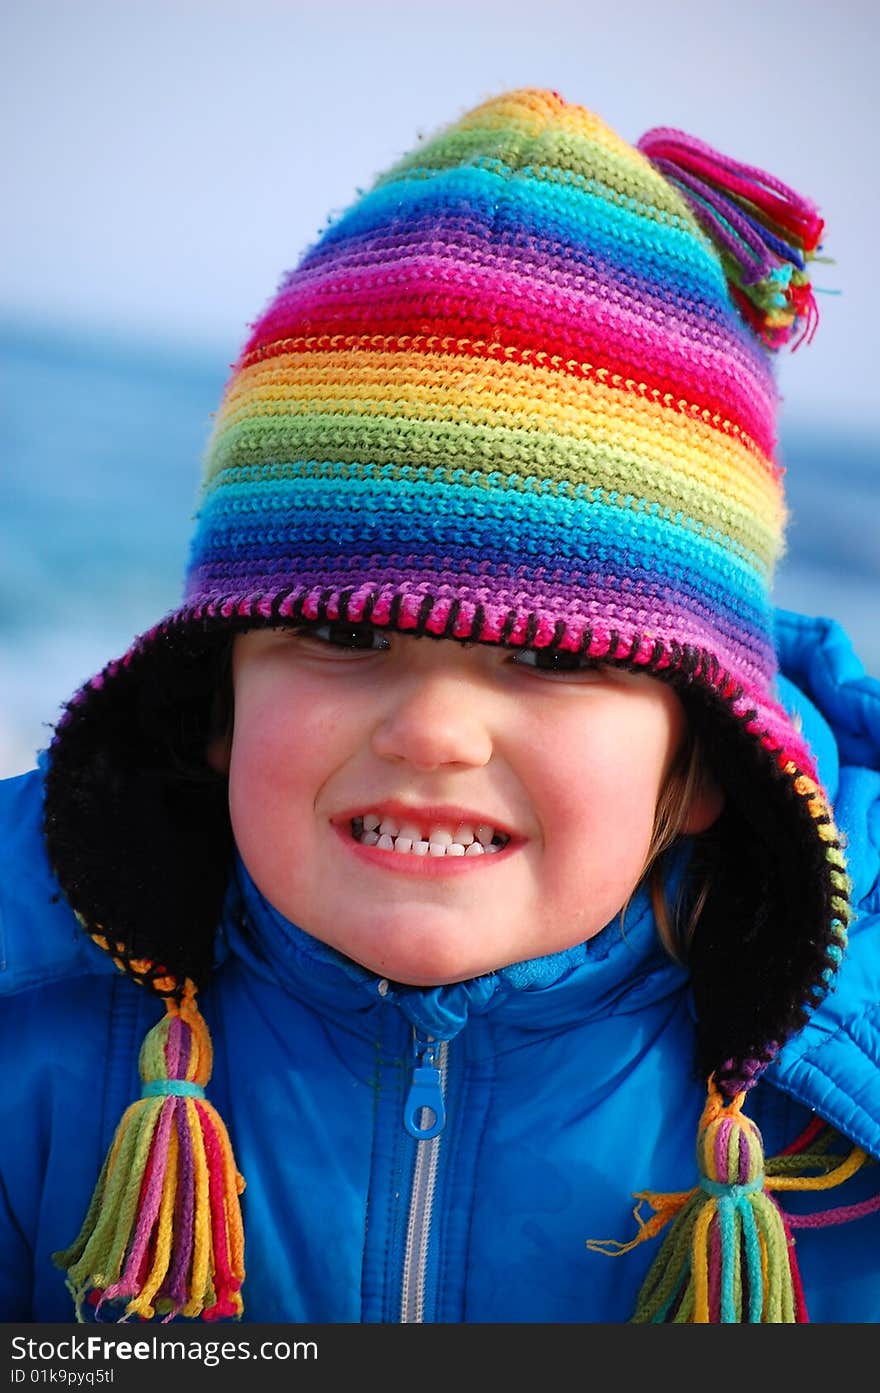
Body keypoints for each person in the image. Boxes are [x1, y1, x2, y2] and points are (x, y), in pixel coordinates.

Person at [1, 87, 878, 1326]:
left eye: (555, 659)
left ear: (701, 768)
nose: (432, 731)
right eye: (344, 633)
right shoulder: (27, 1008)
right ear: (216, 703)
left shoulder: (847, 1092)